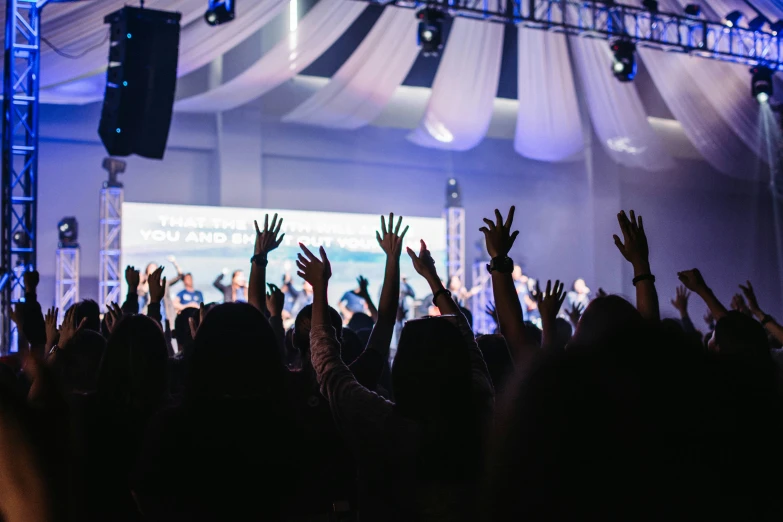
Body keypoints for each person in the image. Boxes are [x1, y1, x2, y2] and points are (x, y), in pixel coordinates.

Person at [297, 227, 493, 521]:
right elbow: (466, 342)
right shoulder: (481, 406)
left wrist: (319, 290)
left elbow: (327, 367)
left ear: (402, 366)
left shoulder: (384, 423)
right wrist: (432, 279)